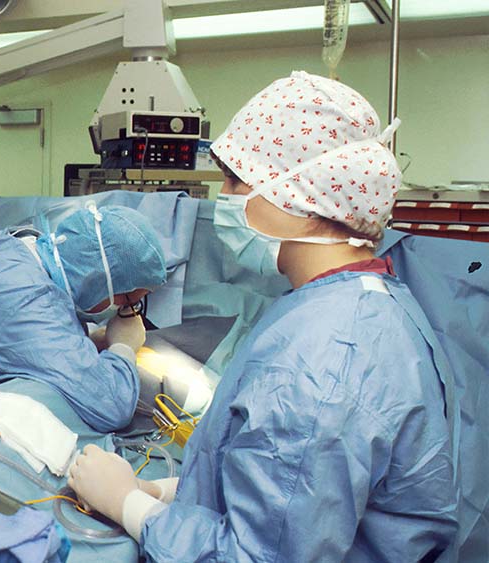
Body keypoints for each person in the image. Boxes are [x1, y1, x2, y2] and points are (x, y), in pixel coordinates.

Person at [68, 71, 459, 561]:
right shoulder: (362, 298)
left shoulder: (324, 355)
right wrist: (174, 493)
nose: (224, 198)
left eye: (236, 180)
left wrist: (127, 506)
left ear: (301, 198)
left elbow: (258, 555)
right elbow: (296, 494)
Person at [0, 202, 167, 432]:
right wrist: (124, 347)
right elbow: (111, 406)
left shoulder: (19, 250)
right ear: (101, 280)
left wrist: (84, 340)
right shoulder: (31, 303)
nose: (127, 310)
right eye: (129, 301)